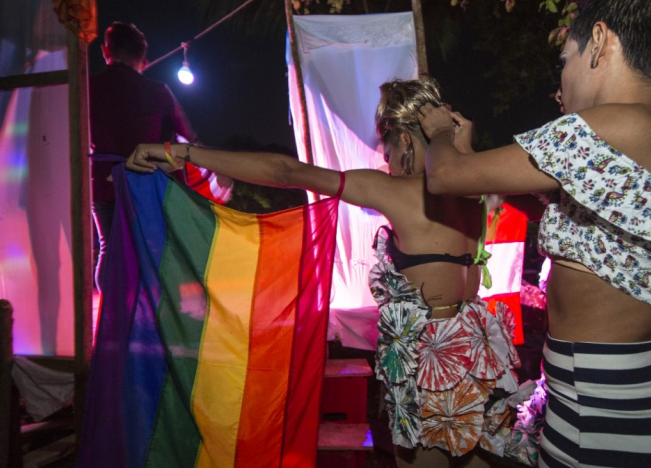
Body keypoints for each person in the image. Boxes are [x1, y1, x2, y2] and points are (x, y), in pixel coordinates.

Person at [416, 1, 651, 466]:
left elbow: (444, 177)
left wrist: (439, 132)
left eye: (565, 62)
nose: (562, 81)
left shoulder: (591, 131)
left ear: (598, 41)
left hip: (603, 429)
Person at [127, 79, 536, 468]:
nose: (385, 162)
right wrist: (458, 144)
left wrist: (181, 153)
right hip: (480, 350)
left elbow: (286, 172)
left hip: (430, 362)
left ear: (407, 141)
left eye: (388, 150)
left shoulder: (397, 191)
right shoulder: (474, 186)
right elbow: (458, 169)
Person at [89, 22, 198, 289]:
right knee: (151, 253)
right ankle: (148, 319)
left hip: (103, 184)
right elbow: (190, 137)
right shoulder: (158, 92)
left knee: (109, 250)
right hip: (145, 186)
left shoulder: (88, 87)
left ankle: (112, 316)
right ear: (144, 61)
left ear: (105, 51)